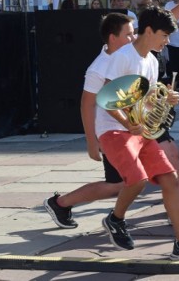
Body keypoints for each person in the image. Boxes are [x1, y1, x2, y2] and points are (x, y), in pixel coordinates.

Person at [96, 6, 179, 259]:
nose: (168, 40)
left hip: (139, 130)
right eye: (164, 35)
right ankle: (116, 219)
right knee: (136, 178)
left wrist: (164, 98)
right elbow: (105, 98)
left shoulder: (150, 59)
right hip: (114, 130)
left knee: (170, 179)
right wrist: (129, 124)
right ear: (148, 31)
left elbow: (144, 98)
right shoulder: (123, 56)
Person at [44, 13, 134, 229]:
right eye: (129, 35)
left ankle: (62, 204)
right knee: (119, 185)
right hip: (111, 132)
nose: (134, 38)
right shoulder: (98, 67)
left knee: (130, 182)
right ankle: (60, 203)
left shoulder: (124, 58)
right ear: (113, 38)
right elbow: (86, 104)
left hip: (128, 130)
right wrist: (91, 141)